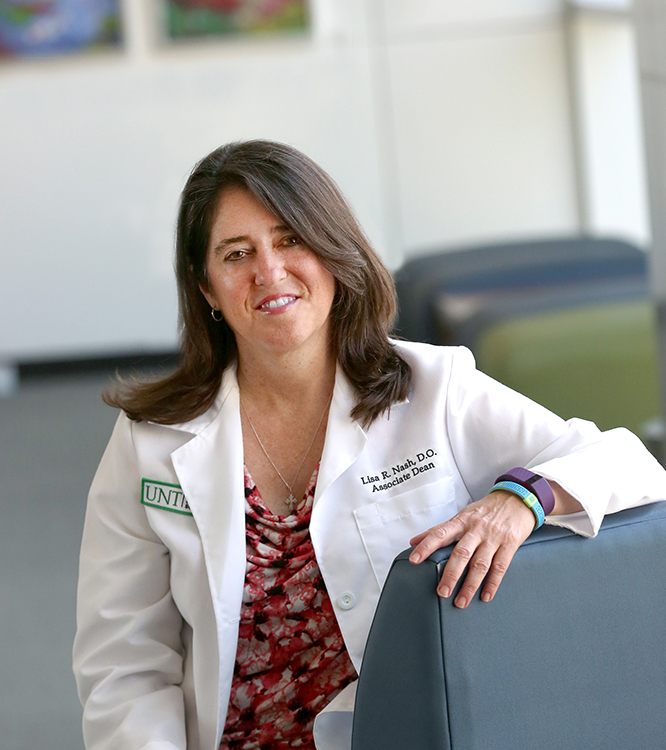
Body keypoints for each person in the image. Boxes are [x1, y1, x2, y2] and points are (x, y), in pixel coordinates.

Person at [73, 140, 666, 750]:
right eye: (237, 253)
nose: (269, 272)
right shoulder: (151, 441)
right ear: (206, 288)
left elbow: (631, 464)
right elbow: (124, 665)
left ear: (333, 251)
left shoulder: (434, 389)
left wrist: (522, 499)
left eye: (291, 239)